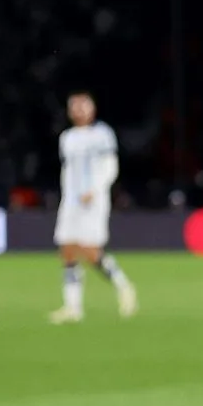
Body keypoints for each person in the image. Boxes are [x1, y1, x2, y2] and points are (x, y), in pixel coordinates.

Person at [45, 92, 137, 323]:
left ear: (92, 109)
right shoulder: (67, 137)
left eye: (83, 106)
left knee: (90, 251)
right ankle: (73, 307)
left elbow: (110, 166)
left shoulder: (102, 134)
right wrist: (67, 196)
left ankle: (124, 287)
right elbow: (67, 171)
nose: (79, 110)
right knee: (67, 250)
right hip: (71, 201)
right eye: (75, 106)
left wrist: (94, 190)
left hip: (94, 201)